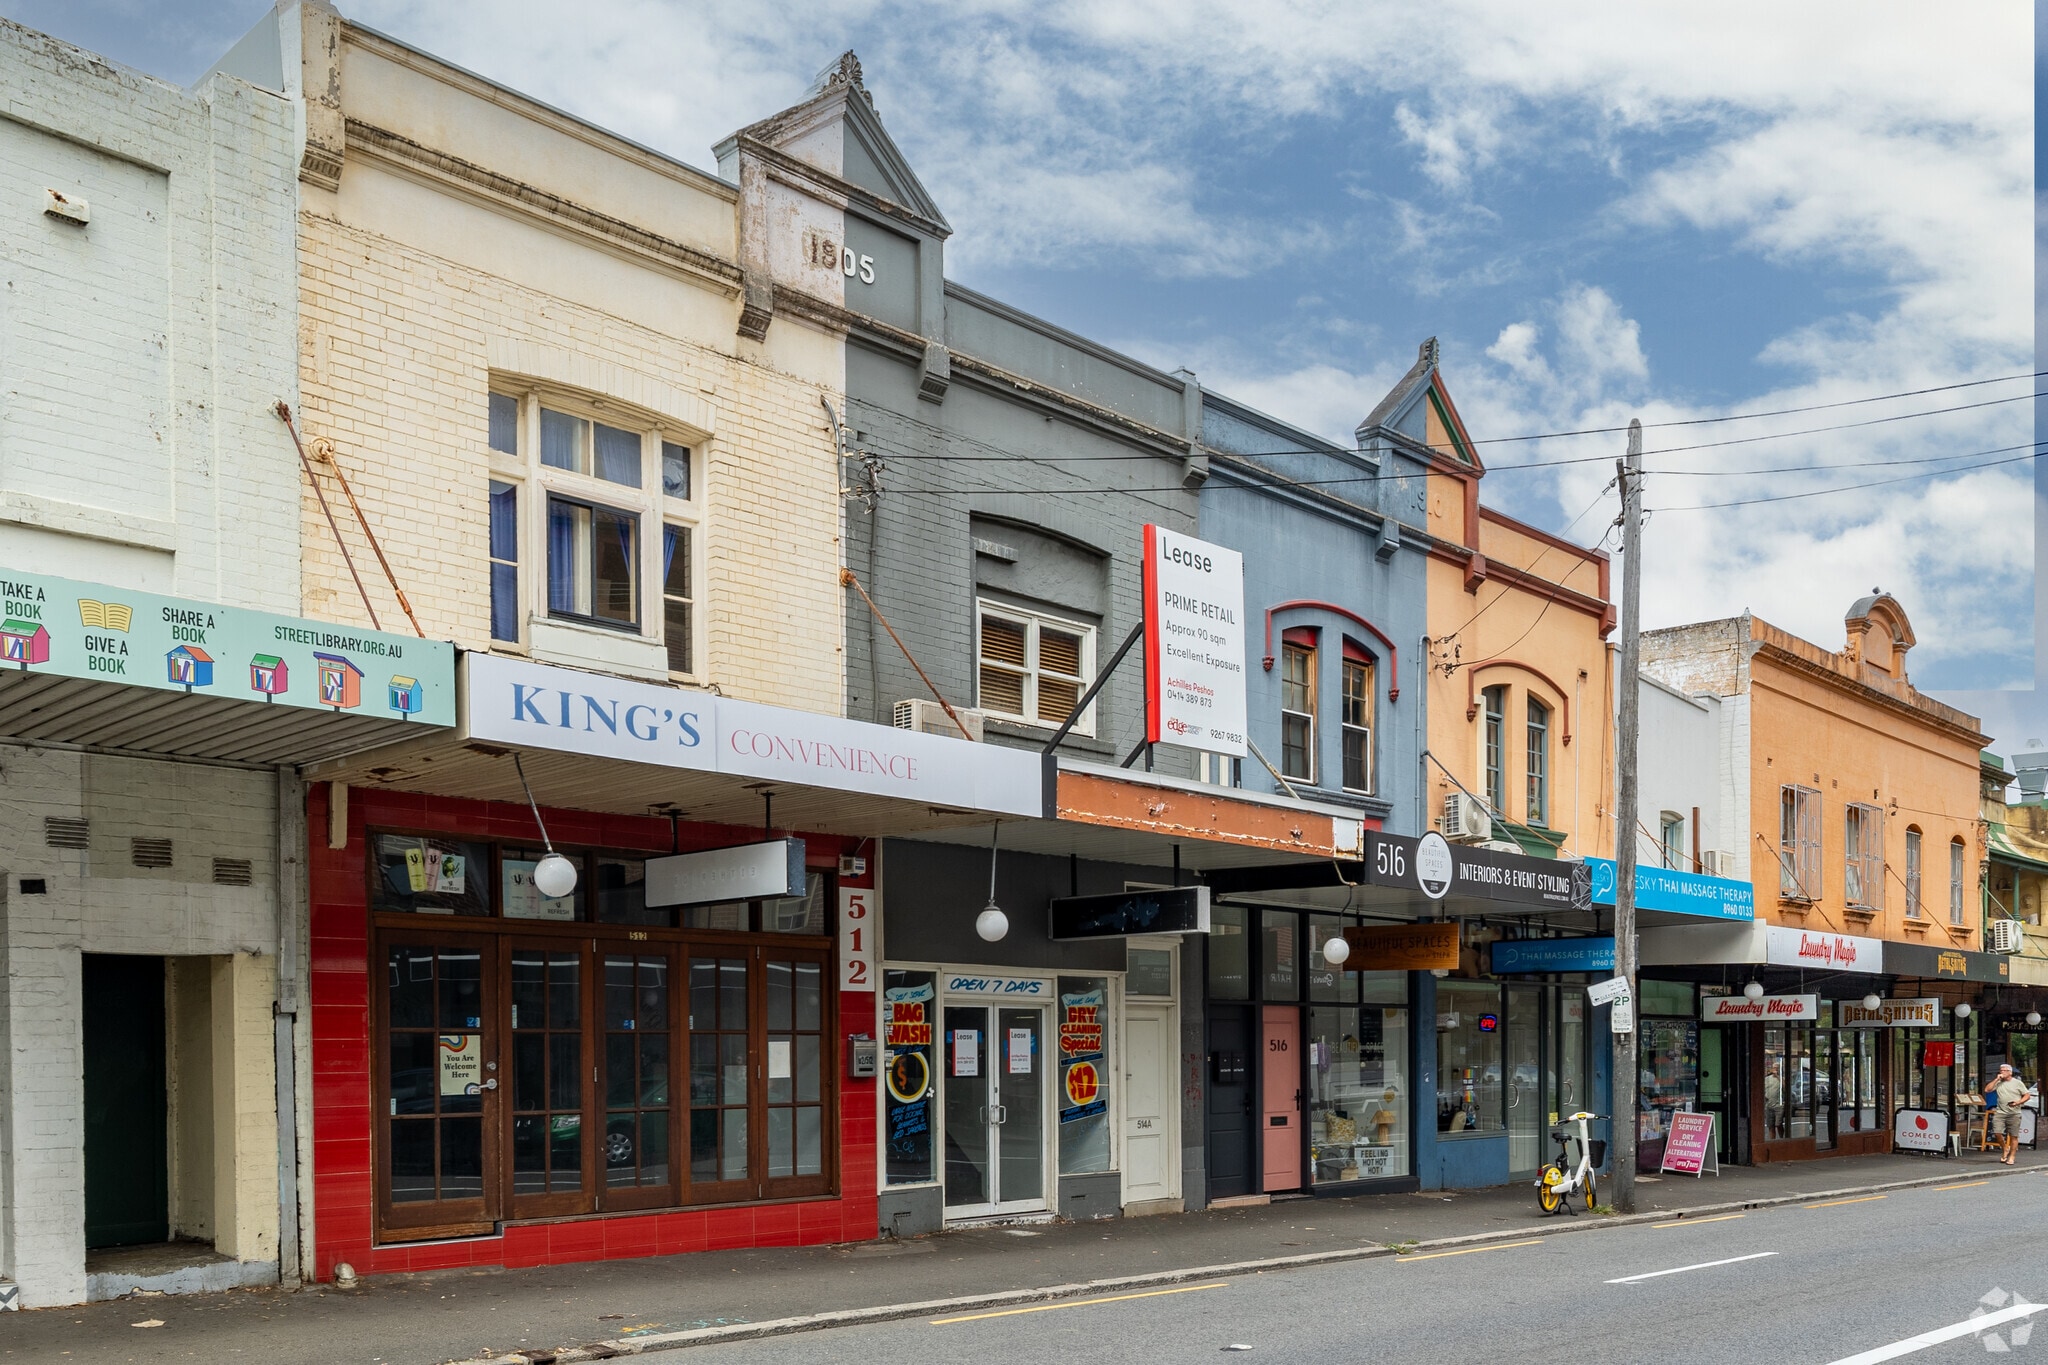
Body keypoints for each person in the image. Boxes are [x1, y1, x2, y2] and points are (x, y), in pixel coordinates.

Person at [1988, 1063, 2031, 1165]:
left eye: (2004, 1070)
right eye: (2000, 1070)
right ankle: (2005, 1148)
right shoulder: (1998, 1082)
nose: (2001, 1072)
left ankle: (2012, 1156)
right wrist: (1996, 1079)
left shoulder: (2017, 1083)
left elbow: (2027, 1095)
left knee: (2014, 1136)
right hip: (2000, 1112)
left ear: (2010, 1072)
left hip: (2014, 1113)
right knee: (1997, 1132)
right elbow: (1987, 1089)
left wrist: (2018, 1102)